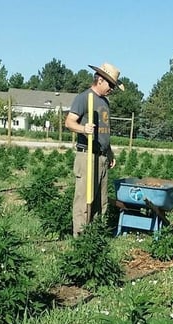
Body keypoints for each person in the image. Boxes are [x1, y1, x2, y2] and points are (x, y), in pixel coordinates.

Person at [64, 62, 124, 236]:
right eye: (111, 84)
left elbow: (104, 130)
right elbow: (69, 122)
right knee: (84, 200)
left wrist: (109, 151)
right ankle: (81, 238)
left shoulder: (105, 102)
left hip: (102, 157)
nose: (112, 88)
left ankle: (95, 236)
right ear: (100, 80)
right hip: (87, 156)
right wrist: (84, 129)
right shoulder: (84, 97)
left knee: (101, 200)